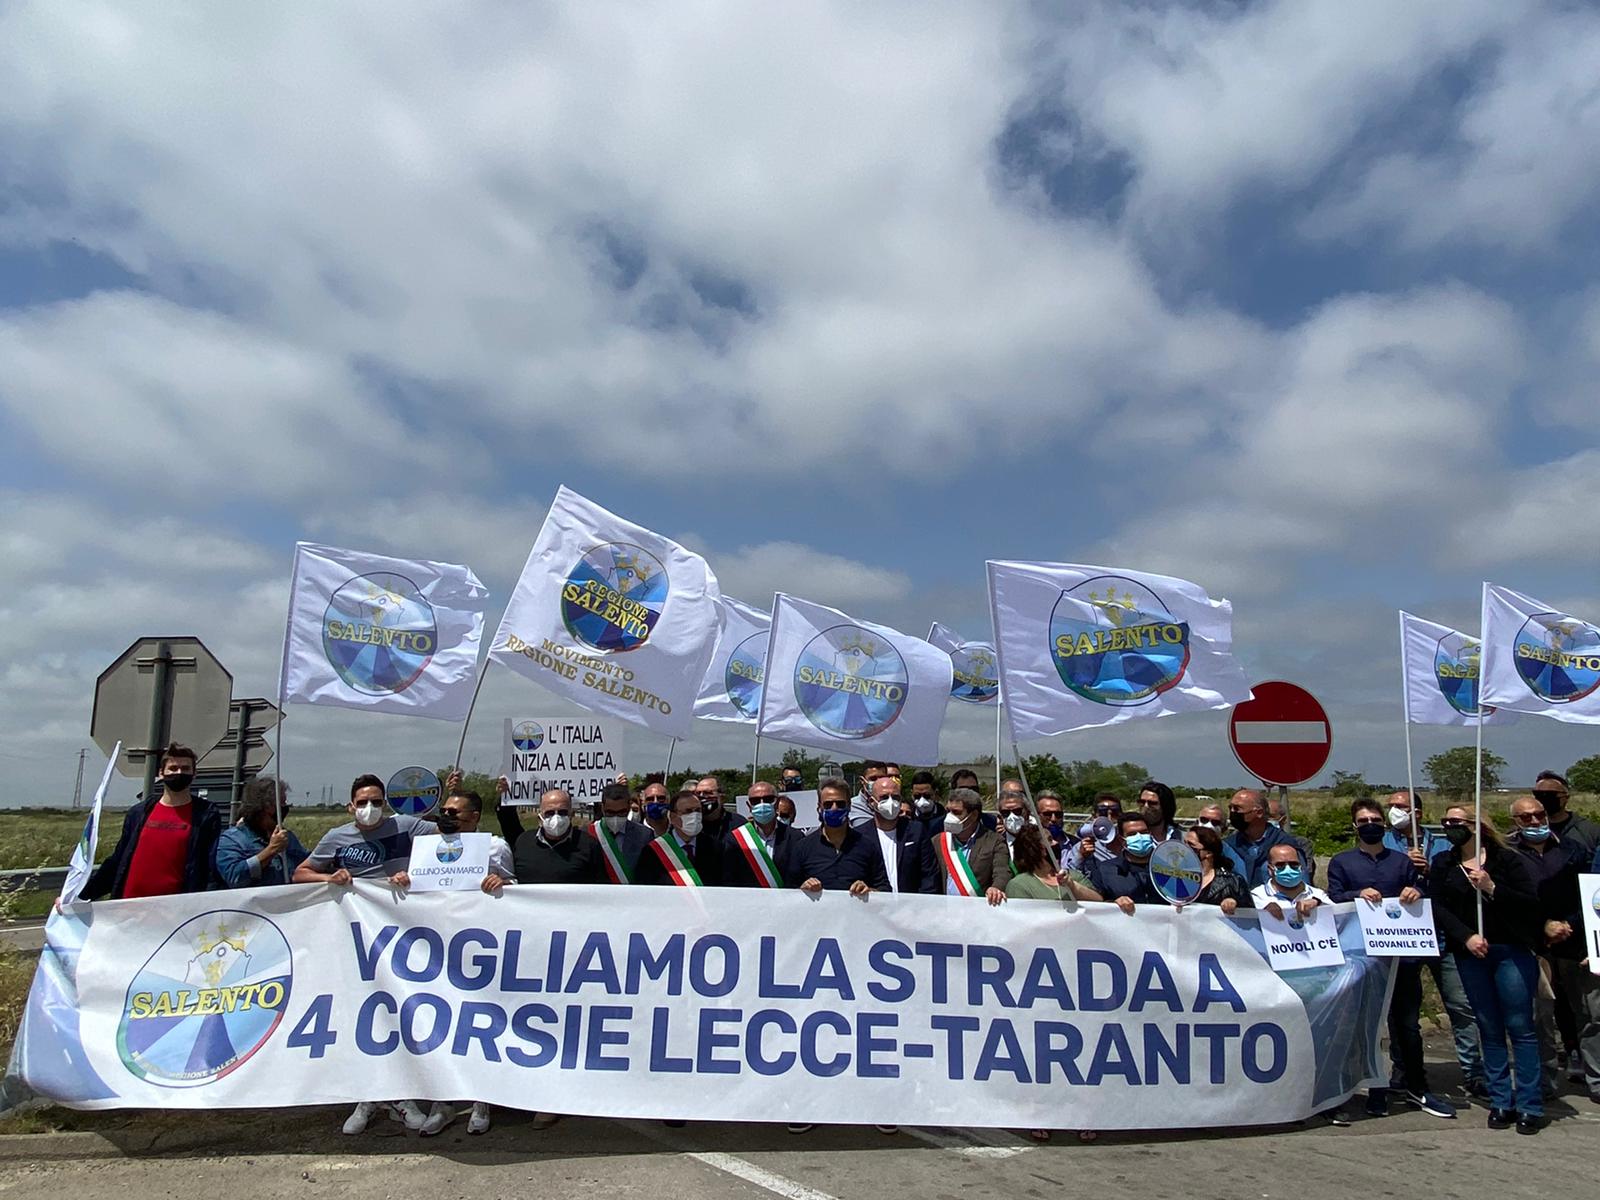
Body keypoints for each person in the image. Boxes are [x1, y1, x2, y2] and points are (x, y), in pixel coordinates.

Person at [294, 773, 432, 1136]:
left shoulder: (407, 827)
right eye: (363, 802)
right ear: (350, 806)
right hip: (355, 939)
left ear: (386, 803)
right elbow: (300, 873)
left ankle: (403, 1096)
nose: (370, 808)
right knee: (364, 1014)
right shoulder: (336, 837)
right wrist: (329, 878)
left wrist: (413, 874)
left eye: (376, 802)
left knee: (399, 1010)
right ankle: (368, 1096)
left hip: (402, 934)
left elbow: (449, 846)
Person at [1326, 797, 1454, 1120]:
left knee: (1407, 1025)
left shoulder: (1401, 861)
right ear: (1354, 826)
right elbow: (1334, 898)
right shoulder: (1342, 862)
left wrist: (1418, 891)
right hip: (1361, 960)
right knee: (1362, 1027)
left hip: (1402, 959)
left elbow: (1423, 890)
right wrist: (1356, 894)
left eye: (1375, 820)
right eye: (1363, 821)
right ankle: (1365, 1088)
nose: (1370, 825)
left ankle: (1416, 1086)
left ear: (1384, 824)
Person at [1432, 805, 1544, 1133]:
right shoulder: (1444, 863)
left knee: (1520, 1027)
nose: (1450, 826)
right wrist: (1465, 936)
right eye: (1446, 822)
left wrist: (1492, 887)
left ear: (1476, 825)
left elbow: (1530, 903)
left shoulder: (1506, 860)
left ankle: (1529, 1104)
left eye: (1457, 821)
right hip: (1471, 954)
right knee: (1488, 1027)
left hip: (1510, 950)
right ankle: (1500, 1100)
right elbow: (1438, 906)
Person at [1506, 792, 1598, 1102]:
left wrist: (1570, 925)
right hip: (1534, 946)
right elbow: (1509, 901)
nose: (1535, 821)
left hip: (1576, 943)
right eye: (1526, 817)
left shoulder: (1573, 850)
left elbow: (1590, 892)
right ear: (1515, 822)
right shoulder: (1507, 854)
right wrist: (1542, 927)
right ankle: (1544, 1082)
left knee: (1590, 1013)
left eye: (1539, 815)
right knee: (1539, 1018)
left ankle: (1596, 1078)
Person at [83, 743, 223, 901]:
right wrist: (82, 896)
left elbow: (210, 867)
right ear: (161, 773)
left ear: (194, 774)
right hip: (128, 905)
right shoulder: (139, 813)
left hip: (175, 908)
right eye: (173, 768)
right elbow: (118, 860)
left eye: (185, 769)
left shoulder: (206, 815)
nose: (179, 773)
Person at [791, 780, 890, 895]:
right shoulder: (802, 848)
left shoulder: (868, 846)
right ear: (819, 807)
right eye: (828, 804)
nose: (834, 808)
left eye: (840, 804)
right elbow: (788, 892)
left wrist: (869, 891)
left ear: (849, 806)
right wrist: (803, 889)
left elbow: (885, 889)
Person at [214, 776, 308, 888]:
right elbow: (235, 877)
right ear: (267, 806)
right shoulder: (232, 840)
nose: (286, 808)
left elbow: (306, 863)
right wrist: (271, 850)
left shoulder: (287, 837)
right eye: (282, 803)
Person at [930, 787, 1009, 904]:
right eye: (948, 811)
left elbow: (1002, 871)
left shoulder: (994, 841)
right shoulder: (937, 841)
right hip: (946, 909)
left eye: (956, 812)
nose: (949, 817)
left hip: (978, 909)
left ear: (974, 815)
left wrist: (996, 887)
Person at [511, 788, 605, 885]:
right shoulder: (523, 842)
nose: (556, 818)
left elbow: (601, 887)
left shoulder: (589, 845)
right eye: (549, 813)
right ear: (540, 818)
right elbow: (512, 879)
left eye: (562, 812)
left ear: (571, 815)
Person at [864, 774, 937, 894]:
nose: (891, 802)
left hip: (912, 904)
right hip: (875, 903)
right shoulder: (860, 835)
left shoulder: (917, 831)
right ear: (872, 802)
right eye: (884, 797)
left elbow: (929, 875)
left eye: (895, 797)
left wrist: (922, 903)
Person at [637, 789, 725, 886]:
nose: (694, 815)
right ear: (673, 817)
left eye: (698, 810)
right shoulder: (653, 851)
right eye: (688, 811)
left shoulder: (716, 847)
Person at [722, 780, 797, 888]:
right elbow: (729, 879)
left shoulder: (795, 837)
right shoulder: (734, 839)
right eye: (755, 801)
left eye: (768, 799)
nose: (762, 804)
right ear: (749, 806)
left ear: (776, 803)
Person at [1225, 788, 1303, 888]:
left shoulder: (1285, 844)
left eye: (1237, 809)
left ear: (1259, 812)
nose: (1232, 812)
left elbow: (1301, 881)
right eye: (1230, 808)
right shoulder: (1228, 846)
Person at [1005, 823, 1101, 904]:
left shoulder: (1072, 875)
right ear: (1037, 849)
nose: (1056, 843)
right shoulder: (1019, 885)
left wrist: (1072, 886)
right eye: (1050, 840)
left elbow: (1098, 901)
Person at [1087, 813, 1163, 912]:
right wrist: (1112, 904)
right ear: (1121, 839)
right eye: (1132, 834)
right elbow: (1095, 905)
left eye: (1144, 832)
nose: (1139, 837)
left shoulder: (1168, 868)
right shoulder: (1105, 870)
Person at [589, 781, 655, 883]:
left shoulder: (644, 835)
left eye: (621, 812)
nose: (616, 817)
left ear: (629, 807)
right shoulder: (589, 833)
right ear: (602, 808)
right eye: (610, 812)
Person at [1251, 841, 1331, 919]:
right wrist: (1262, 913)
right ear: (1270, 869)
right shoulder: (1257, 897)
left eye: (1294, 864)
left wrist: (1319, 904)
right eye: (1280, 865)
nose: (1288, 869)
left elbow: (1337, 916)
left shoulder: (1318, 895)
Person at [1185, 825, 1252, 913]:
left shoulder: (1233, 882)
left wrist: (1235, 903)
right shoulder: (1174, 876)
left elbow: (1250, 913)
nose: (1184, 848)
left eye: (1191, 845)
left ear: (1208, 853)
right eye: (1184, 843)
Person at [1062, 795, 1121, 873]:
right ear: (1094, 816)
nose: (1109, 818)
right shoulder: (1082, 847)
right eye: (1103, 813)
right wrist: (1081, 856)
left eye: (1114, 813)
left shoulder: (1130, 841)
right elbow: (1071, 874)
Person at [1266, 792, 1317, 882]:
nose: (1265, 820)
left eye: (1270, 817)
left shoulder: (1300, 843)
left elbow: (1306, 872)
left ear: (1283, 820)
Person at [693, 776, 747, 844]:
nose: (702, 796)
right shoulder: (691, 822)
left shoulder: (739, 823)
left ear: (722, 797)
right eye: (698, 793)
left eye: (707, 792)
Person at [996, 780, 1034, 863]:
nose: (1012, 817)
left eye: (1017, 811)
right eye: (1005, 813)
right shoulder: (995, 843)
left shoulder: (1041, 840)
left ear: (1027, 812)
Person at [1034, 790, 1067, 859]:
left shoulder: (1075, 845)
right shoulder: (1029, 845)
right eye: (1047, 814)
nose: (1053, 819)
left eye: (1058, 814)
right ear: (1037, 815)